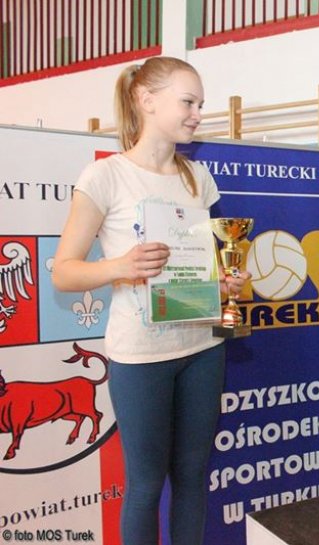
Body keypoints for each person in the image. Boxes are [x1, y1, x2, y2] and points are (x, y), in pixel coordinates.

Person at [52, 57, 248, 545]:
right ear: (146, 100)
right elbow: (64, 272)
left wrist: (226, 283)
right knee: (144, 485)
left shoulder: (198, 177)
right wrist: (121, 266)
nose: (197, 114)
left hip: (203, 347)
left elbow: (202, 264)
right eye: (188, 102)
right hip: (140, 355)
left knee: (192, 477)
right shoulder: (105, 176)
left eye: (200, 104)